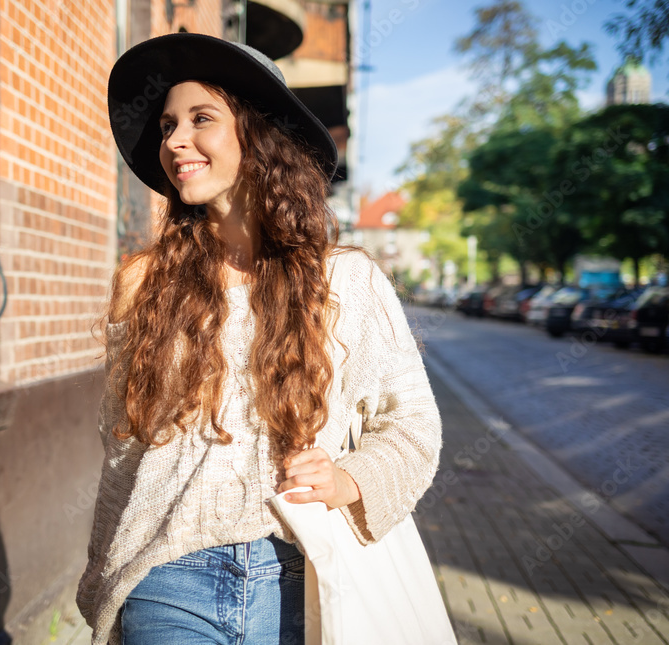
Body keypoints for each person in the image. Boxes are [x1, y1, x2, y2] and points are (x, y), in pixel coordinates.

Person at [77, 33, 443, 645]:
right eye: (167, 126)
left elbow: (412, 426)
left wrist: (349, 479)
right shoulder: (144, 284)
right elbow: (122, 451)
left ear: (257, 136)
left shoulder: (346, 281)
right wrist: (106, 576)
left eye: (201, 119)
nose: (173, 142)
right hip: (168, 581)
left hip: (307, 578)